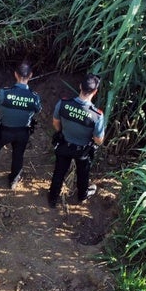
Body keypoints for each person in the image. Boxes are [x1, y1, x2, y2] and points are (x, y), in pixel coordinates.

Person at [0, 62, 42, 189]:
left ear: (15, 75)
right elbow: (38, 110)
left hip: (3, 131)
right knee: (18, 154)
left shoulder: (4, 93)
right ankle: (13, 180)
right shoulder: (34, 97)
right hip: (23, 132)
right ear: (31, 75)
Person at [47, 73, 105, 208]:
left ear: (80, 86)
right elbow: (98, 140)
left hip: (64, 145)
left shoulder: (63, 103)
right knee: (83, 173)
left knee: (59, 172)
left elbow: (56, 123)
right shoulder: (97, 115)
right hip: (82, 151)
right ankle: (82, 196)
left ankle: (52, 199)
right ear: (95, 92)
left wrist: (64, 132)